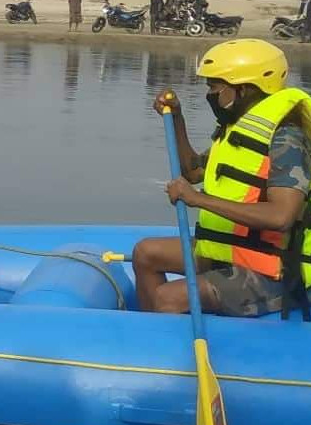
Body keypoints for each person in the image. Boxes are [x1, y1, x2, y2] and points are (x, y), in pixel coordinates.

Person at [129, 40, 310, 317]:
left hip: (273, 270)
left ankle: (166, 352)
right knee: (145, 253)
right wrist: (176, 117)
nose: (210, 95)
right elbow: (192, 171)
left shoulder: (287, 139)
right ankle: (149, 335)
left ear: (245, 89)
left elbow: (280, 216)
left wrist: (199, 199)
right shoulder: (238, 130)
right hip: (231, 248)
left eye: (216, 87)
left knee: (169, 297)